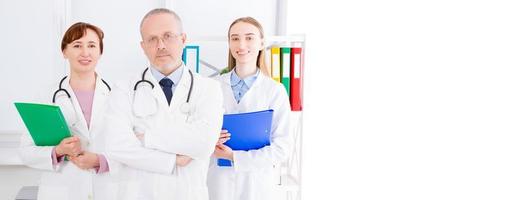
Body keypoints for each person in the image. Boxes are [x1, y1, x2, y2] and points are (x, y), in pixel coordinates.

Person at [103, 8, 223, 199]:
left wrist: (145, 138)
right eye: (152, 39)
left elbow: (204, 143)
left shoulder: (209, 88)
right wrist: (173, 160)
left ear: (183, 40)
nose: (160, 45)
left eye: (168, 36)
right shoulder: (124, 89)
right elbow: (116, 145)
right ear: (143, 46)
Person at [18, 22, 119, 200]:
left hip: (108, 190)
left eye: (92, 45)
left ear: (100, 52)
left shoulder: (118, 96)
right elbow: (26, 152)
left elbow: (135, 151)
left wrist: (100, 161)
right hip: (62, 191)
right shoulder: (46, 96)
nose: (85, 52)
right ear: (65, 51)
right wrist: (57, 151)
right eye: (77, 45)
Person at [207, 17, 293, 200]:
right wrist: (208, 139)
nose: (241, 44)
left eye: (249, 37)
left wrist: (235, 157)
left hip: (258, 184)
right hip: (218, 182)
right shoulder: (212, 87)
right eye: (235, 38)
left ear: (262, 43)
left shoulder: (275, 91)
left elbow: (282, 147)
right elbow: (196, 134)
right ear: (229, 43)